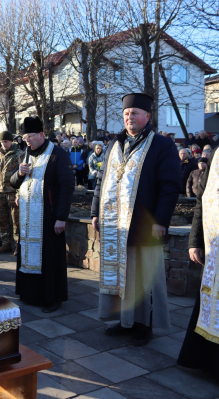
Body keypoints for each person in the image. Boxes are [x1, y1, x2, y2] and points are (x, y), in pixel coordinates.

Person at [92, 93, 181, 346]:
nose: (129, 117)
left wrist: (161, 220)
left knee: (144, 277)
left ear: (148, 116)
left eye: (135, 113)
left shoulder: (161, 145)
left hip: (144, 224)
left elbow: (170, 186)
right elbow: (101, 180)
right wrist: (95, 212)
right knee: (121, 276)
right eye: (126, 114)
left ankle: (144, 325)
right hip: (115, 225)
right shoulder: (113, 145)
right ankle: (124, 320)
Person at [10, 116, 74, 313]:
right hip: (29, 219)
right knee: (28, 255)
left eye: (30, 136)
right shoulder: (25, 155)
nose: (27, 140)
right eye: (24, 137)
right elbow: (13, 182)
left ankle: (52, 298)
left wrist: (61, 217)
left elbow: (67, 186)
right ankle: (30, 294)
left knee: (50, 259)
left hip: (49, 217)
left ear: (41, 134)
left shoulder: (57, 154)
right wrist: (19, 174)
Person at [178, 147, 219, 374]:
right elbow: (203, 200)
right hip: (215, 249)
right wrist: (195, 241)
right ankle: (207, 364)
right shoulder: (216, 155)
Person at [0, 130, 23, 255]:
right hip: (0, 192)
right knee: (2, 220)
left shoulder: (19, 154)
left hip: (13, 192)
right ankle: (5, 243)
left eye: (6, 141)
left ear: (11, 141)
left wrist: (19, 193)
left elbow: (21, 176)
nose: (4, 144)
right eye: (2, 141)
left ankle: (18, 246)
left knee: (16, 221)